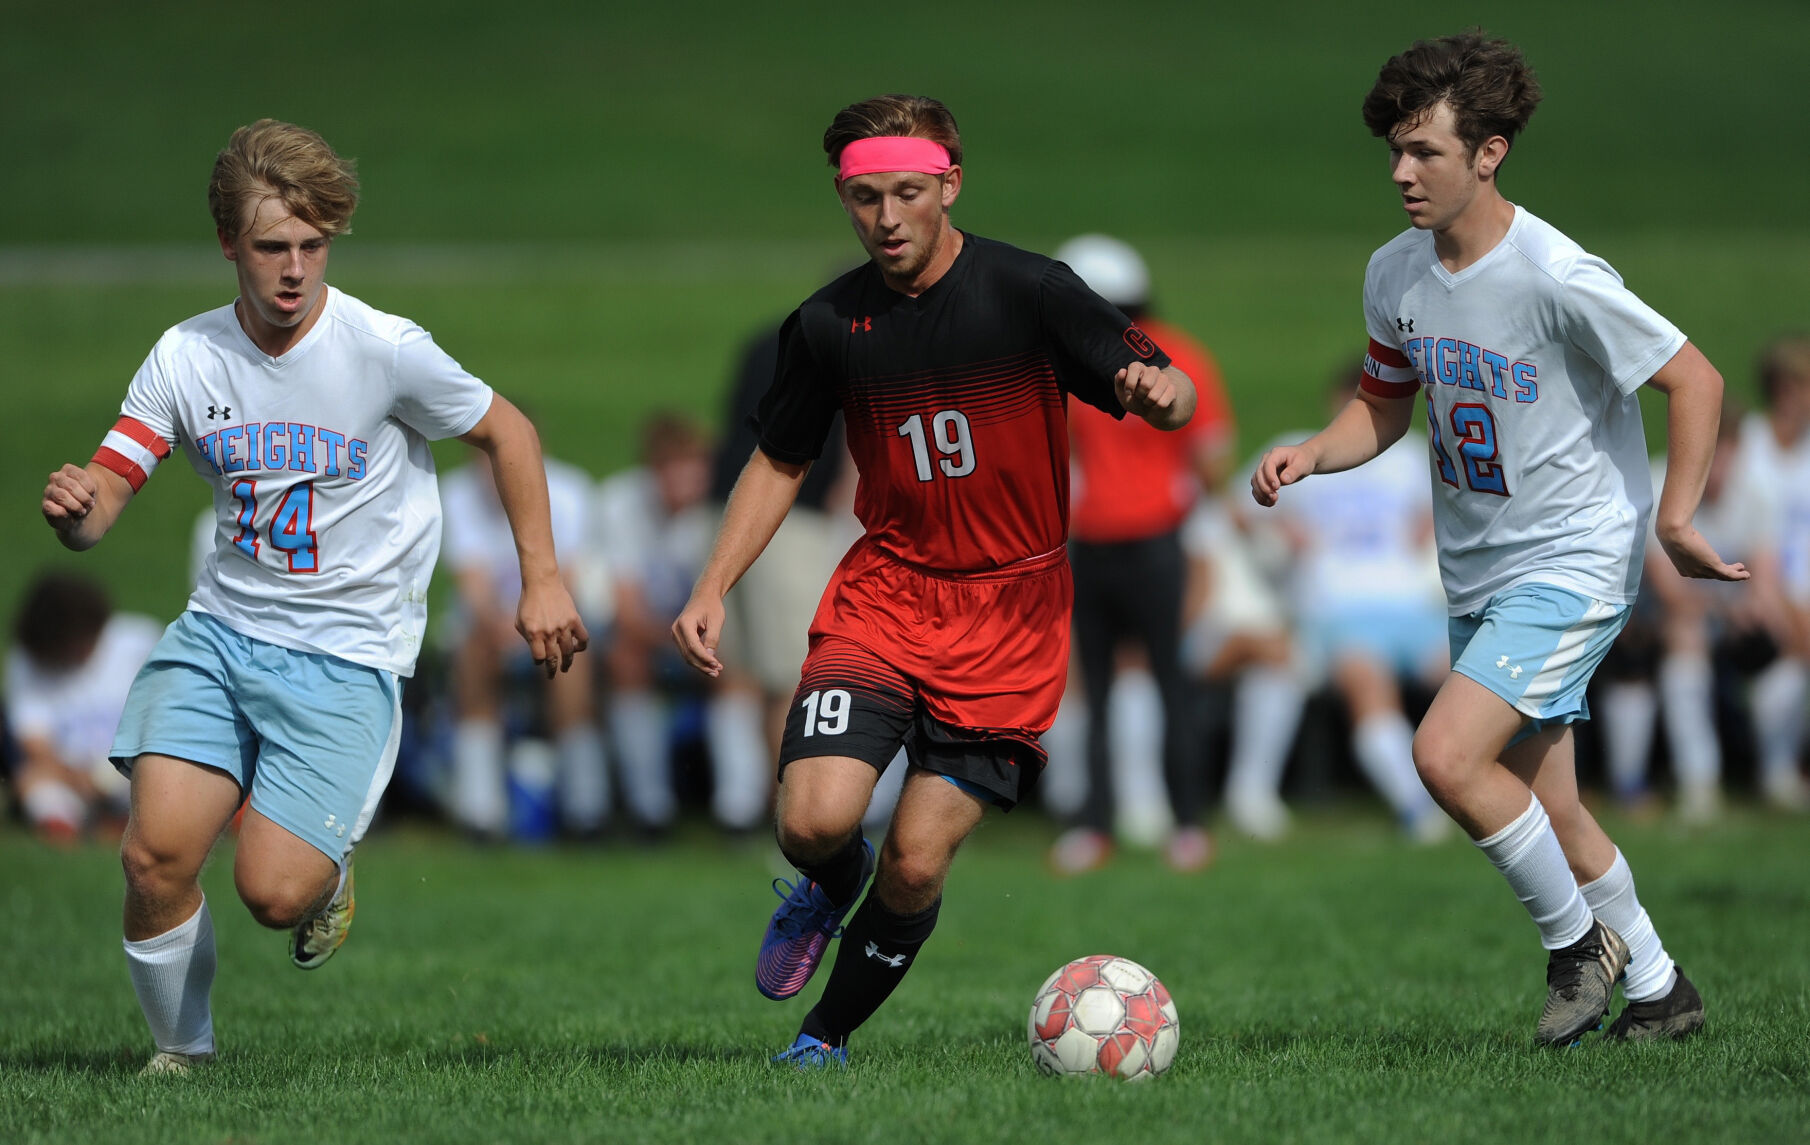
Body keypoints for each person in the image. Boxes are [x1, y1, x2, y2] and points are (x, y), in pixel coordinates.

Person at [39, 120, 587, 1075]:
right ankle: (184, 1054)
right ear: (227, 245)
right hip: (220, 633)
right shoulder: (185, 356)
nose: (294, 269)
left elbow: (512, 434)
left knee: (272, 892)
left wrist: (541, 577)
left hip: (346, 652)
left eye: (311, 245)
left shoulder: (385, 349)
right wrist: (78, 509)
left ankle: (322, 876)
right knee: (152, 855)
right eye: (270, 247)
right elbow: (110, 489)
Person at [672, 94, 1196, 1067]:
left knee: (915, 859)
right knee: (812, 820)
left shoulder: (1031, 291)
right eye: (863, 197)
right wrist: (711, 585)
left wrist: (1159, 395)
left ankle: (822, 1036)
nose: (886, 216)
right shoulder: (828, 322)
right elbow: (780, 460)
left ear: (949, 185)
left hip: (1012, 617)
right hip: (887, 596)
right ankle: (831, 880)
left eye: (907, 192)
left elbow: (1170, 388)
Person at [1252, 33, 1735, 1045]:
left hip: (1572, 559)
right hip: (1475, 567)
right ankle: (1660, 989)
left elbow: (1694, 378)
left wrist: (1676, 517)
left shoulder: (1556, 272)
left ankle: (1574, 948)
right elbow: (1382, 404)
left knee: (1443, 753)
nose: (1399, 172)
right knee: (1543, 805)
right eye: (1392, 149)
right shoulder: (1396, 273)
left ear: (1489, 152)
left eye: (1423, 151)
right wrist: (1313, 451)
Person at [1045, 234, 1235, 874]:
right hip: (1158, 539)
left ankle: (1095, 827)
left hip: (1093, 542)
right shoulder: (1186, 356)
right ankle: (1187, 827)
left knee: (1096, 689)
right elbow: (1212, 460)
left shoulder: (1068, 362)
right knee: (1168, 684)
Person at [1257, 367, 1451, 842]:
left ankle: (1511, 798)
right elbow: (1239, 508)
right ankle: (1417, 808)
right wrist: (1278, 533)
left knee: (1474, 682)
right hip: (1340, 607)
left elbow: (1455, 506)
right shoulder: (1300, 449)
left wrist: (1429, 526)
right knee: (1369, 685)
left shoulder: (1408, 456)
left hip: (1413, 603)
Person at [599, 411, 768, 836]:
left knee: (734, 665)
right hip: (651, 634)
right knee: (625, 660)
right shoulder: (619, 505)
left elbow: (734, 601)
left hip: (706, 637)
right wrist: (679, 640)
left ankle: (739, 807)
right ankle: (648, 806)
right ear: (655, 471)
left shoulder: (722, 510)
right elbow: (625, 606)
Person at [440, 448, 607, 839]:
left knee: (571, 655)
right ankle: (480, 808)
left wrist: (534, 628)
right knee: (475, 650)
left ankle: (586, 805)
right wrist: (506, 626)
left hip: (551, 623)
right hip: (494, 628)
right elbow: (474, 586)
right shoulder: (457, 494)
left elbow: (570, 582)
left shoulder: (569, 491)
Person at [4, 572, 160, 842]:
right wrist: (77, 778)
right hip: (70, 773)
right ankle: (67, 827)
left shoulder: (136, 641)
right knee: (34, 782)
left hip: (138, 762)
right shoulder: (27, 663)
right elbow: (34, 743)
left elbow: (166, 711)